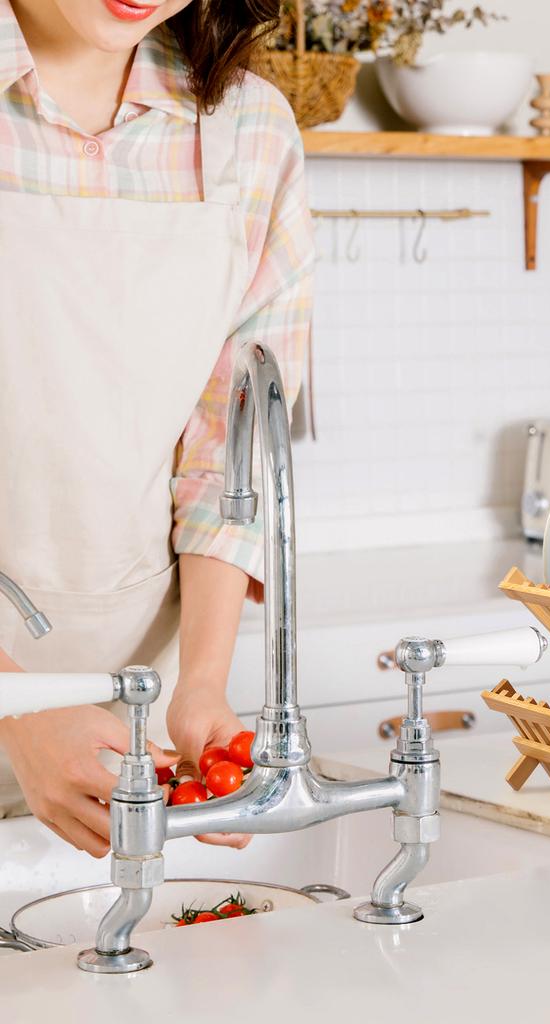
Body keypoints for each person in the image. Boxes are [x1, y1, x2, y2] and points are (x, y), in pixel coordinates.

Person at [0, 0, 313, 856]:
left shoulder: (248, 127)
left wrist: (202, 685)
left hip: (136, 708)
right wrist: (16, 708)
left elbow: (229, 447)